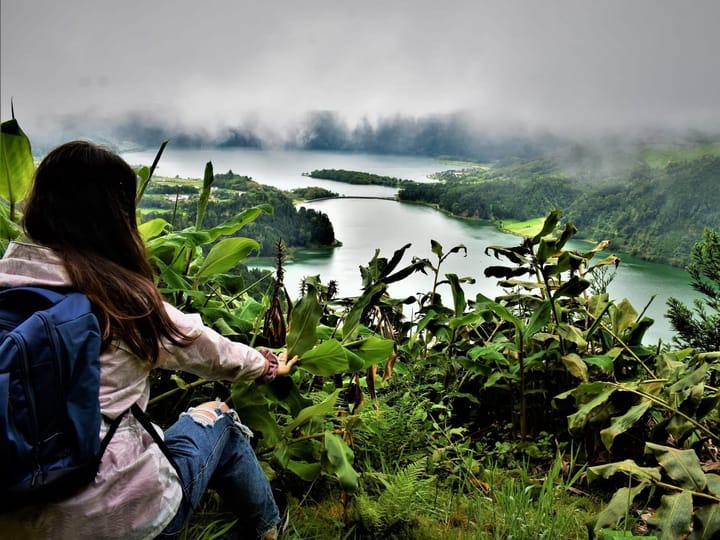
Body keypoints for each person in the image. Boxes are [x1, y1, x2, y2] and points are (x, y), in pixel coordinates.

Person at [0, 140, 296, 539]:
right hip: (118, 521)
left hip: (14, 514)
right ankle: (270, 527)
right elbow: (216, 354)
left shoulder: (7, 281)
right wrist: (268, 365)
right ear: (115, 217)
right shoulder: (123, 304)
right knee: (220, 419)